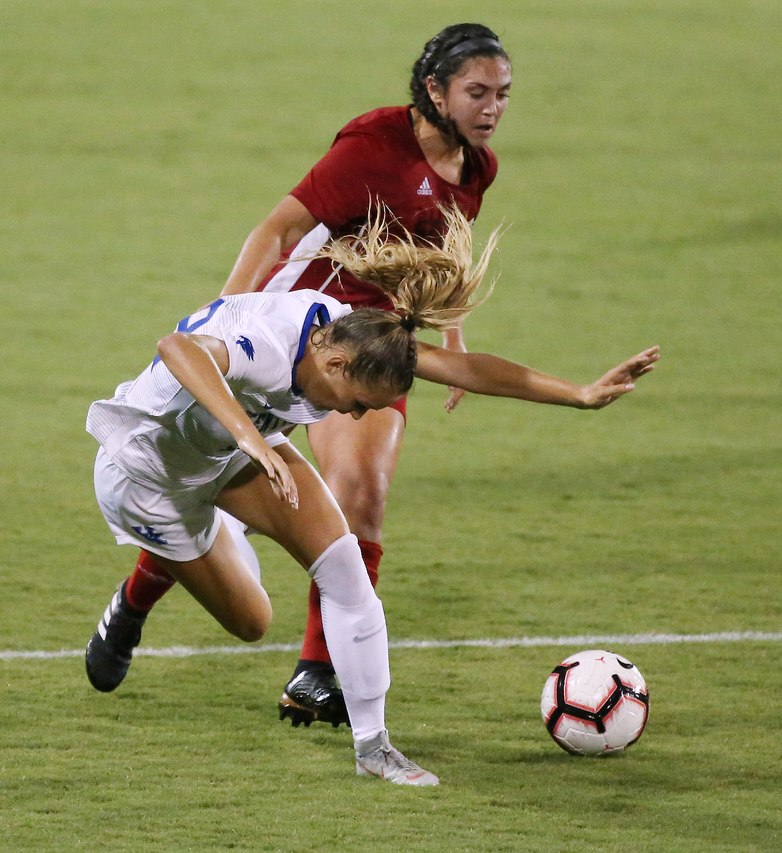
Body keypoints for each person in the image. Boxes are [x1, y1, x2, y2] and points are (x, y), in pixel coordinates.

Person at [82, 208, 660, 785]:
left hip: (232, 448)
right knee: (252, 622)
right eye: (359, 403)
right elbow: (179, 348)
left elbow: (469, 369)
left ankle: (374, 749)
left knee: (345, 570)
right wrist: (250, 439)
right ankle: (177, 563)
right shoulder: (268, 346)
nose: (356, 416)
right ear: (334, 364)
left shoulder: (359, 336)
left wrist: (579, 394)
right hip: (148, 476)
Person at [216, 22, 515, 727]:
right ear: (435, 89)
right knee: (209, 484)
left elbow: (438, 255)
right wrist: (224, 316)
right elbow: (279, 228)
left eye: (502, 93)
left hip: (375, 349)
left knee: (362, 492)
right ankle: (134, 601)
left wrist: (453, 336)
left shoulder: (477, 168)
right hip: (299, 336)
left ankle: (317, 673)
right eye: (477, 92)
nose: (492, 108)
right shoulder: (373, 145)